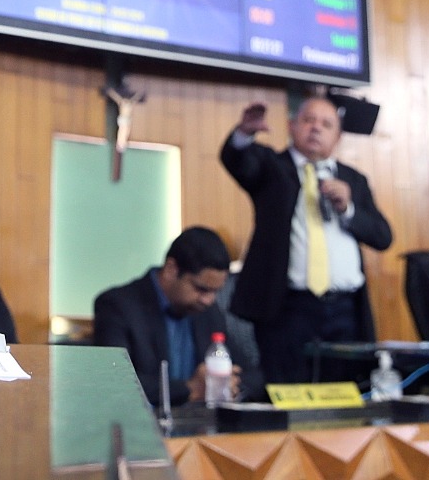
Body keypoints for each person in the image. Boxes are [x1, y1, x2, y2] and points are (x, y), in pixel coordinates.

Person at [220, 97, 392, 385]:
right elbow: (237, 161)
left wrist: (349, 209)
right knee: (288, 392)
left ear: (338, 136)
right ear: (291, 126)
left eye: (326, 124)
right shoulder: (271, 167)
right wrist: (244, 133)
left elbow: (382, 237)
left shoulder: (353, 179)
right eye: (308, 120)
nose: (316, 128)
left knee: (344, 392)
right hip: (288, 308)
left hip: (345, 309)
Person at [92, 226, 237, 407]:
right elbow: (115, 382)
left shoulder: (208, 311)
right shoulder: (117, 306)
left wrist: (230, 382)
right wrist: (190, 388)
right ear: (171, 269)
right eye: (201, 289)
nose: (209, 300)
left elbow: (249, 372)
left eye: (215, 292)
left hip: (199, 421)